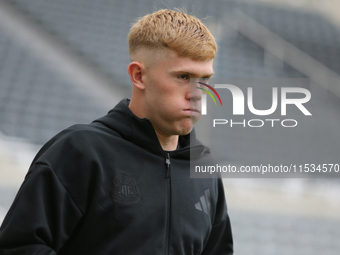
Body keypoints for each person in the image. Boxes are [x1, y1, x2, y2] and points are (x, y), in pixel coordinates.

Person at [0, 9, 233, 254]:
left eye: (204, 80)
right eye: (183, 76)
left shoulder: (205, 170)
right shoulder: (80, 151)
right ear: (139, 75)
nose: (196, 93)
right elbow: (18, 248)